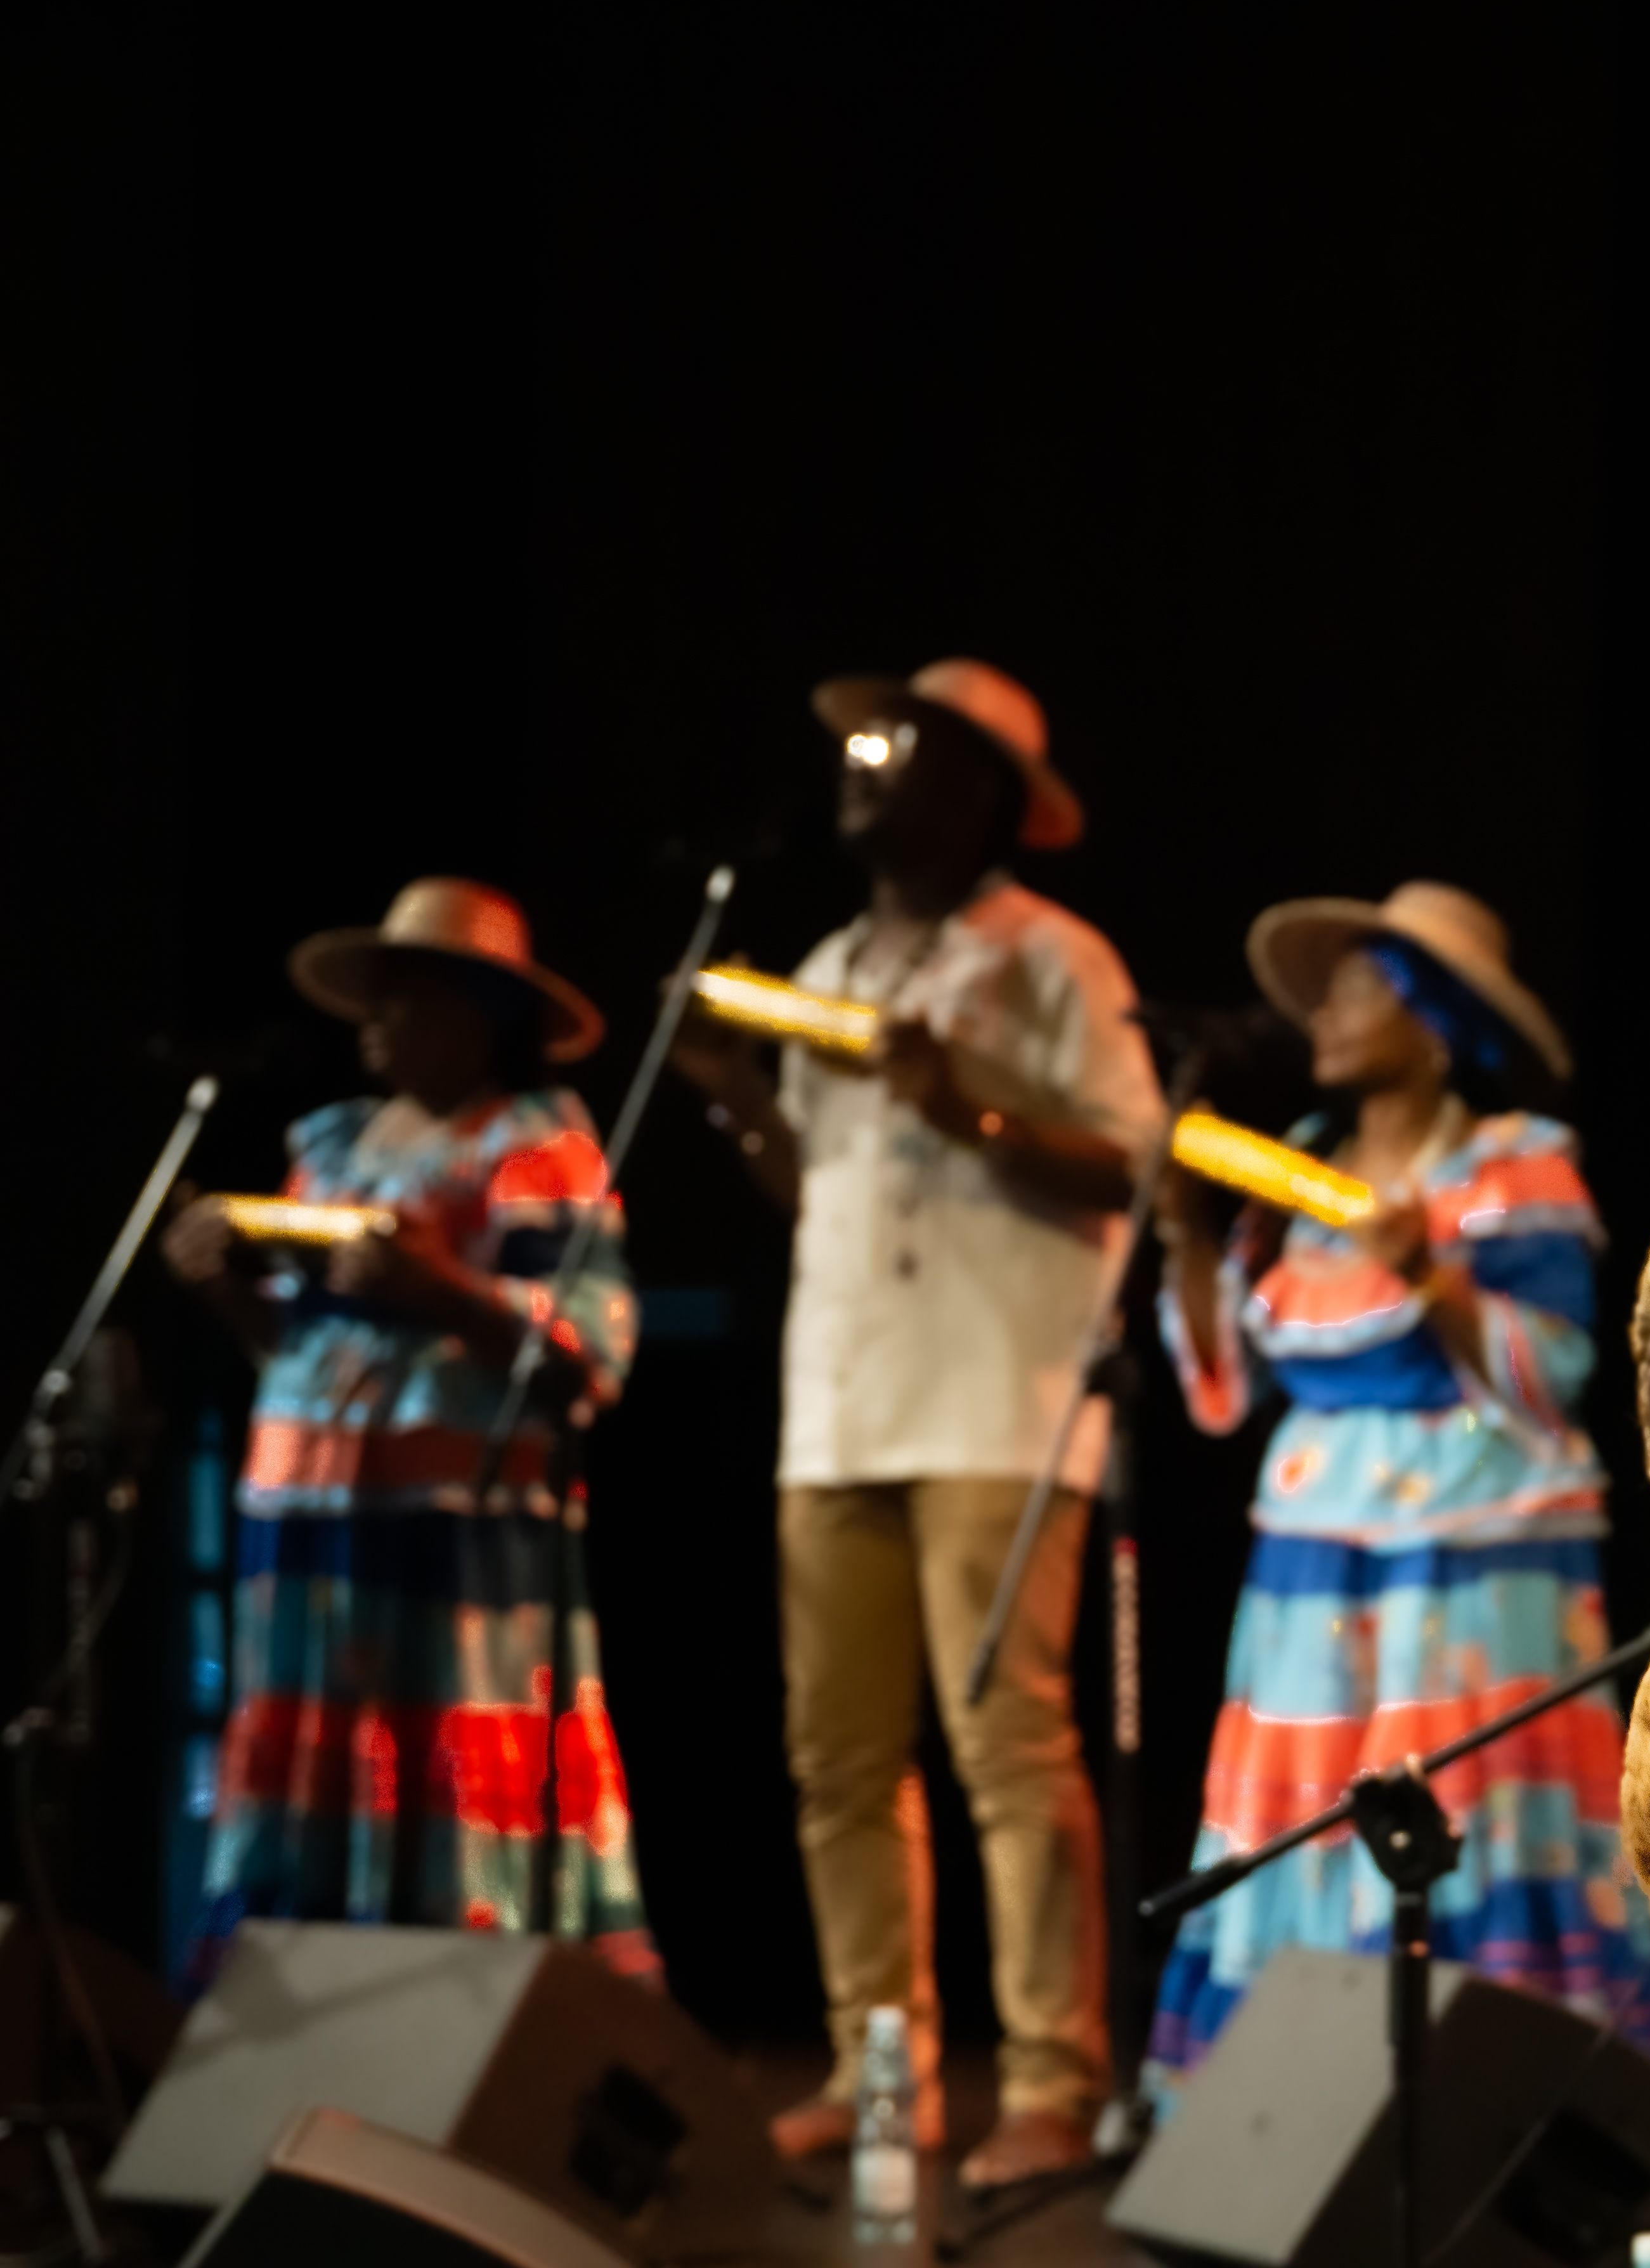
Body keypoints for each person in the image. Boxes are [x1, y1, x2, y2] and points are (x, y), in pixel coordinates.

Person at [670, 658, 1162, 2191]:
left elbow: (1136, 1164)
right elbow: (816, 1187)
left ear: (980, 795)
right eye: (863, 748)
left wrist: (975, 1111)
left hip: (994, 1402)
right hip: (839, 1401)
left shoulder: (1053, 958)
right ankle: (883, 2079)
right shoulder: (828, 955)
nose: (863, 770)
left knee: (1007, 1744)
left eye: (902, 752)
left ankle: (1051, 2083)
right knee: (838, 1758)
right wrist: (737, 1093)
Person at [1146, 881, 1650, 2088]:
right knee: (1306, 1814)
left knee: (1462, 1819)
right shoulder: (1296, 1170)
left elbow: (1558, 1368)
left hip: (1473, 1551)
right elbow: (1226, 1382)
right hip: (1311, 1558)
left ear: (1432, 1021)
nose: (1327, 1013)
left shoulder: (1517, 1168)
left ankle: (1487, 2091)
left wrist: (1434, 1280)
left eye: (1360, 988)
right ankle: (1297, 2099)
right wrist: (1186, 1232)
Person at [160, 877, 651, 1976]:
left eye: (404, 1001)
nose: (373, 1026)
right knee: (313, 1766)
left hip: (454, 1529)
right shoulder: (334, 1148)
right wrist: (228, 1294)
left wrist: (439, 1290)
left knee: (444, 1771)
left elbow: (589, 1350)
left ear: (474, 1017)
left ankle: (459, 1992)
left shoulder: (537, 1148)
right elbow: (295, 1347)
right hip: (311, 1515)